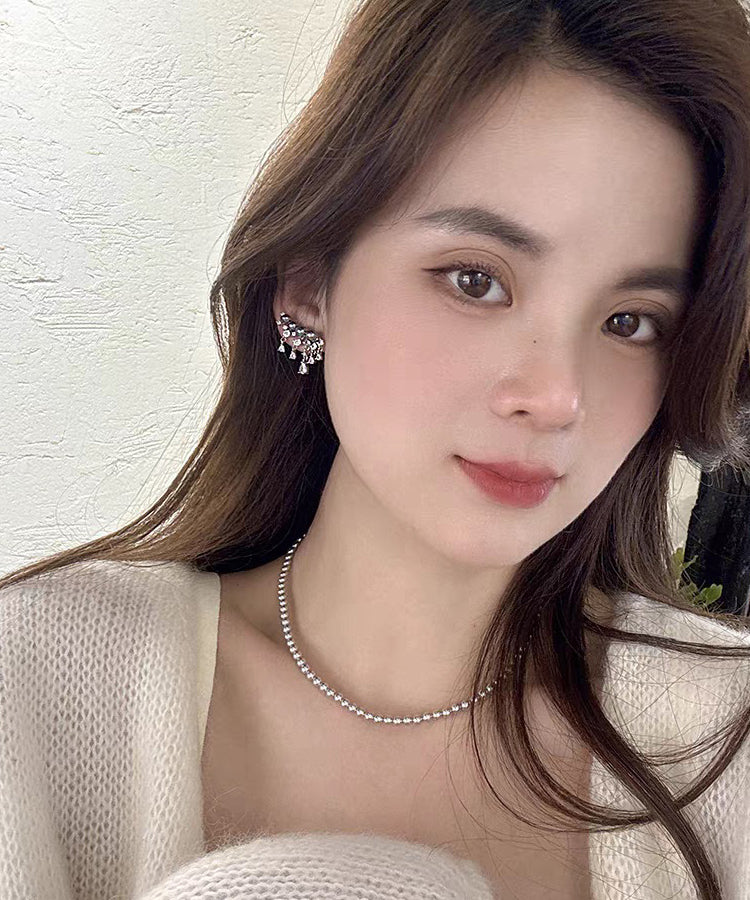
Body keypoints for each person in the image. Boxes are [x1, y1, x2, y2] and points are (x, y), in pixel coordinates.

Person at [3, 1, 750, 898]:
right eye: (475, 280)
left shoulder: (726, 740)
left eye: (631, 322)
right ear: (307, 281)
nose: (558, 397)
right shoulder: (34, 683)